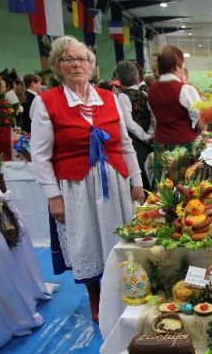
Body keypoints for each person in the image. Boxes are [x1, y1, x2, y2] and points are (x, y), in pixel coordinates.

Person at [30, 35, 145, 323]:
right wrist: (53, 197)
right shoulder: (46, 103)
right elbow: (40, 156)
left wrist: (137, 181)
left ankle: (128, 293)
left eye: (81, 59)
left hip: (115, 182)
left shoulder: (110, 98)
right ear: (58, 65)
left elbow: (125, 143)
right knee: (88, 243)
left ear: (92, 65)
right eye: (68, 59)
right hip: (77, 186)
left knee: (120, 238)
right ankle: (96, 297)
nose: (76, 64)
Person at [147, 45, 203, 181]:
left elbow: (154, 114)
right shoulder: (185, 89)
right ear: (177, 65)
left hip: (161, 146)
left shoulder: (152, 89)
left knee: (164, 188)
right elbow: (200, 120)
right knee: (186, 188)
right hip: (183, 147)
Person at [116, 60, 155, 190]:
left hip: (135, 144)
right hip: (148, 140)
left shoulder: (122, 96)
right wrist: (150, 134)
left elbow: (128, 123)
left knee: (140, 177)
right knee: (149, 175)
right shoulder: (144, 94)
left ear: (119, 78)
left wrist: (145, 136)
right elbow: (152, 115)